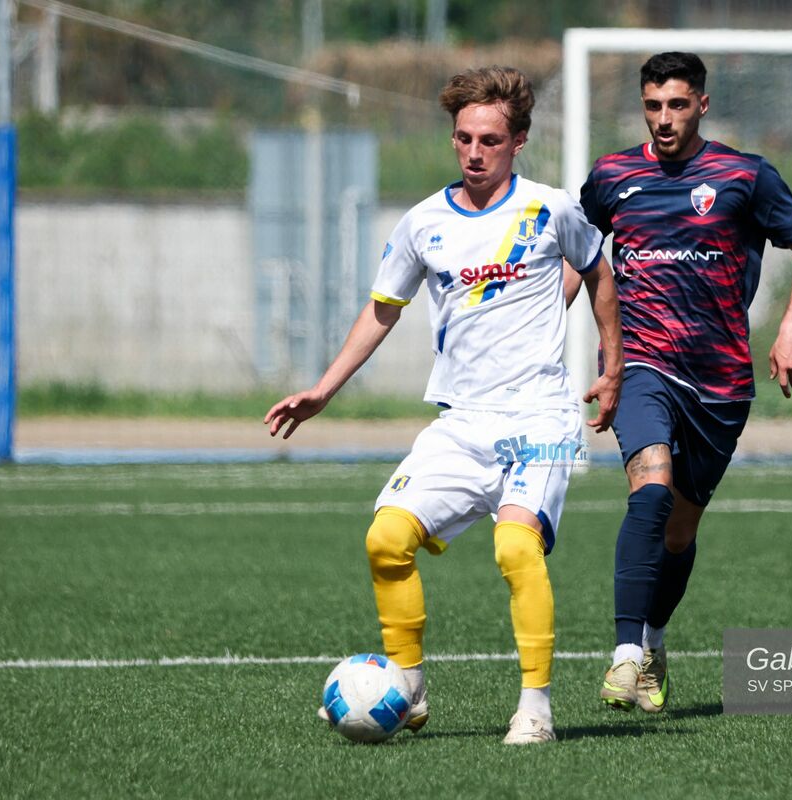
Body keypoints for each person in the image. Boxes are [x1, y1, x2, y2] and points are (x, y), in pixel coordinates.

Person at [266, 66, 623, 744]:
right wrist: (323, 390)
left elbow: (599, 274)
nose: (474, 152)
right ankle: (407, 687)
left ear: (518, 141)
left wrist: (613, 367)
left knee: (515, 548)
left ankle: (536, 709)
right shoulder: (423, 222)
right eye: (463, 138)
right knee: (385, 540)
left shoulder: (550, 209)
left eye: (490, 139)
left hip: (539, 417)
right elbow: (382, 309)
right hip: (461, 422)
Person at [573, 52, 792, 712]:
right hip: (642, 364)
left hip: (721, 380)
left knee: (680, 532)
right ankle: (625, 655)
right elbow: (578, 255)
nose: (664, 119)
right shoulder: (612, 177)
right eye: (653, 106)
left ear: (702, 105)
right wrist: (548, 326)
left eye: (677, 105)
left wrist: (791, 328)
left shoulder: (745, 176)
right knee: (651, 493)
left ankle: (654, 641)